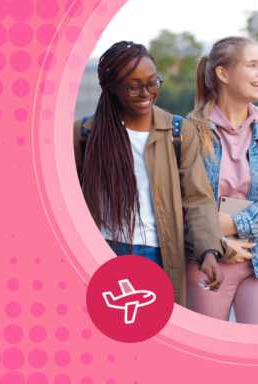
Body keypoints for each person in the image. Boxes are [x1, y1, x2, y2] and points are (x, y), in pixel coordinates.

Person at [74, 41, 242, 307]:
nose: (147, 92)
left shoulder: (178, 132)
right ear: (111, 88)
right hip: (100, 252)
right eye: (133, 85)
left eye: (153, 82)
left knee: (155, 339)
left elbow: (197, 199)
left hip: (158, 255)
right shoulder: (84, 134)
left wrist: (209, 251)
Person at [185, 36, 258, 324]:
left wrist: (238, 223)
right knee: (207, 358)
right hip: (206, 263)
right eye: (252, 65)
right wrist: (216, 234)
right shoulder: (187, 133)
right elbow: (174, 204)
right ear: (222, 73)